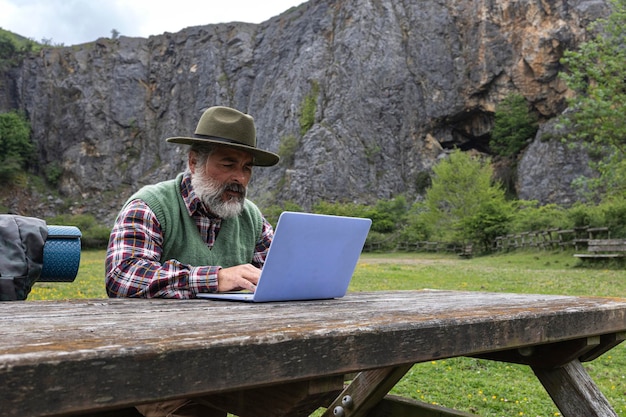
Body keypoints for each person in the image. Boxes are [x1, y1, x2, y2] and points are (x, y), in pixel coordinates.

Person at [105, 105, 280, 417]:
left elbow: (279, 274)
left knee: (302, 389)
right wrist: (214, 278)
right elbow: (123, 276)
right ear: (194, 161)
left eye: (247, 168)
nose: (239, 178)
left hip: (229, 360)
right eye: (228, 164)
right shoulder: (150, 205)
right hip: (154, 365)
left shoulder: (251, 216)